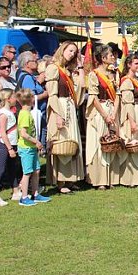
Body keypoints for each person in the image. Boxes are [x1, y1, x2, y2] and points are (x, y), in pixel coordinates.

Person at [45, 41, 85, 194]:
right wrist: (56, 114)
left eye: (74, 52)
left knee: (71, 141)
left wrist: (80, 67)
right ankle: (60, 180)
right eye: (70, 51)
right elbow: (52, 94)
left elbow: (80, 89)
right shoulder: (53, 69)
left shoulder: (67, 71)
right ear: (62, 50)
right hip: (59, 107)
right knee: (61, 142)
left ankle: (70, 178)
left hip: (69, 106)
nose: (72, 54)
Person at [85, 44, 119, 190]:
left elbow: (118, 95)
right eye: (111, 55)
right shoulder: (94, 75)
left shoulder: (114, 74)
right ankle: (99, 179)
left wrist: (114, 113)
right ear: (103, 58)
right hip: (100, 111)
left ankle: (111, 177)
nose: (113, 57)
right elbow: (93, 97)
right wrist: (105, 115)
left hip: (112, 110)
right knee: (100, 142)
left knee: (112, 142)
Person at [116, 55, 138, 186]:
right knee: (131, 141)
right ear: (129, 65)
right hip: (132, 111)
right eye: (136, 63)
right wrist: (132, 121)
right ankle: (128, 178)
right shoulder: (126, 81)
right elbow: (127, 102)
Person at [15, 88, 49, 206]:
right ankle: (24, 197)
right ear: (30, 100)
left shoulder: (27, 113)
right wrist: (36, 142)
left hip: (32, 147)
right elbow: (23, 134)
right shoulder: (24, 114)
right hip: (26, 148)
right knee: (27, 172)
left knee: (36, 170)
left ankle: (35, 194)